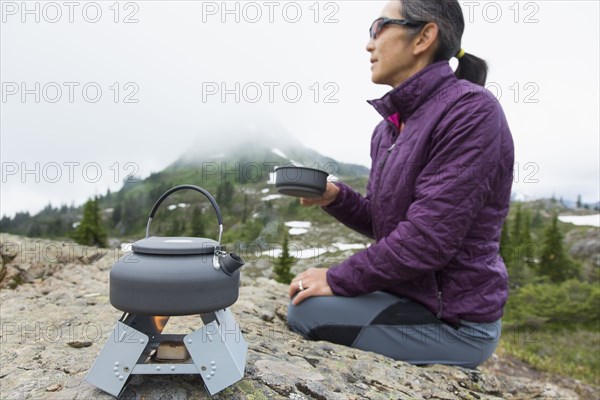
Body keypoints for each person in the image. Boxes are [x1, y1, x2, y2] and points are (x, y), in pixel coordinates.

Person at [286, 0, 514, 368]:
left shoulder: (471, 111)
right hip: (408, 299)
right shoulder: (389, 128)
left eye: (378, 28)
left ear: (424, 36)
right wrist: (334, 196)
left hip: (454, 322)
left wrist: (339, 277)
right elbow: (385, 224)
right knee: (305, 299)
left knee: (307, 313)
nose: (369, 44)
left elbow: (428, 240)